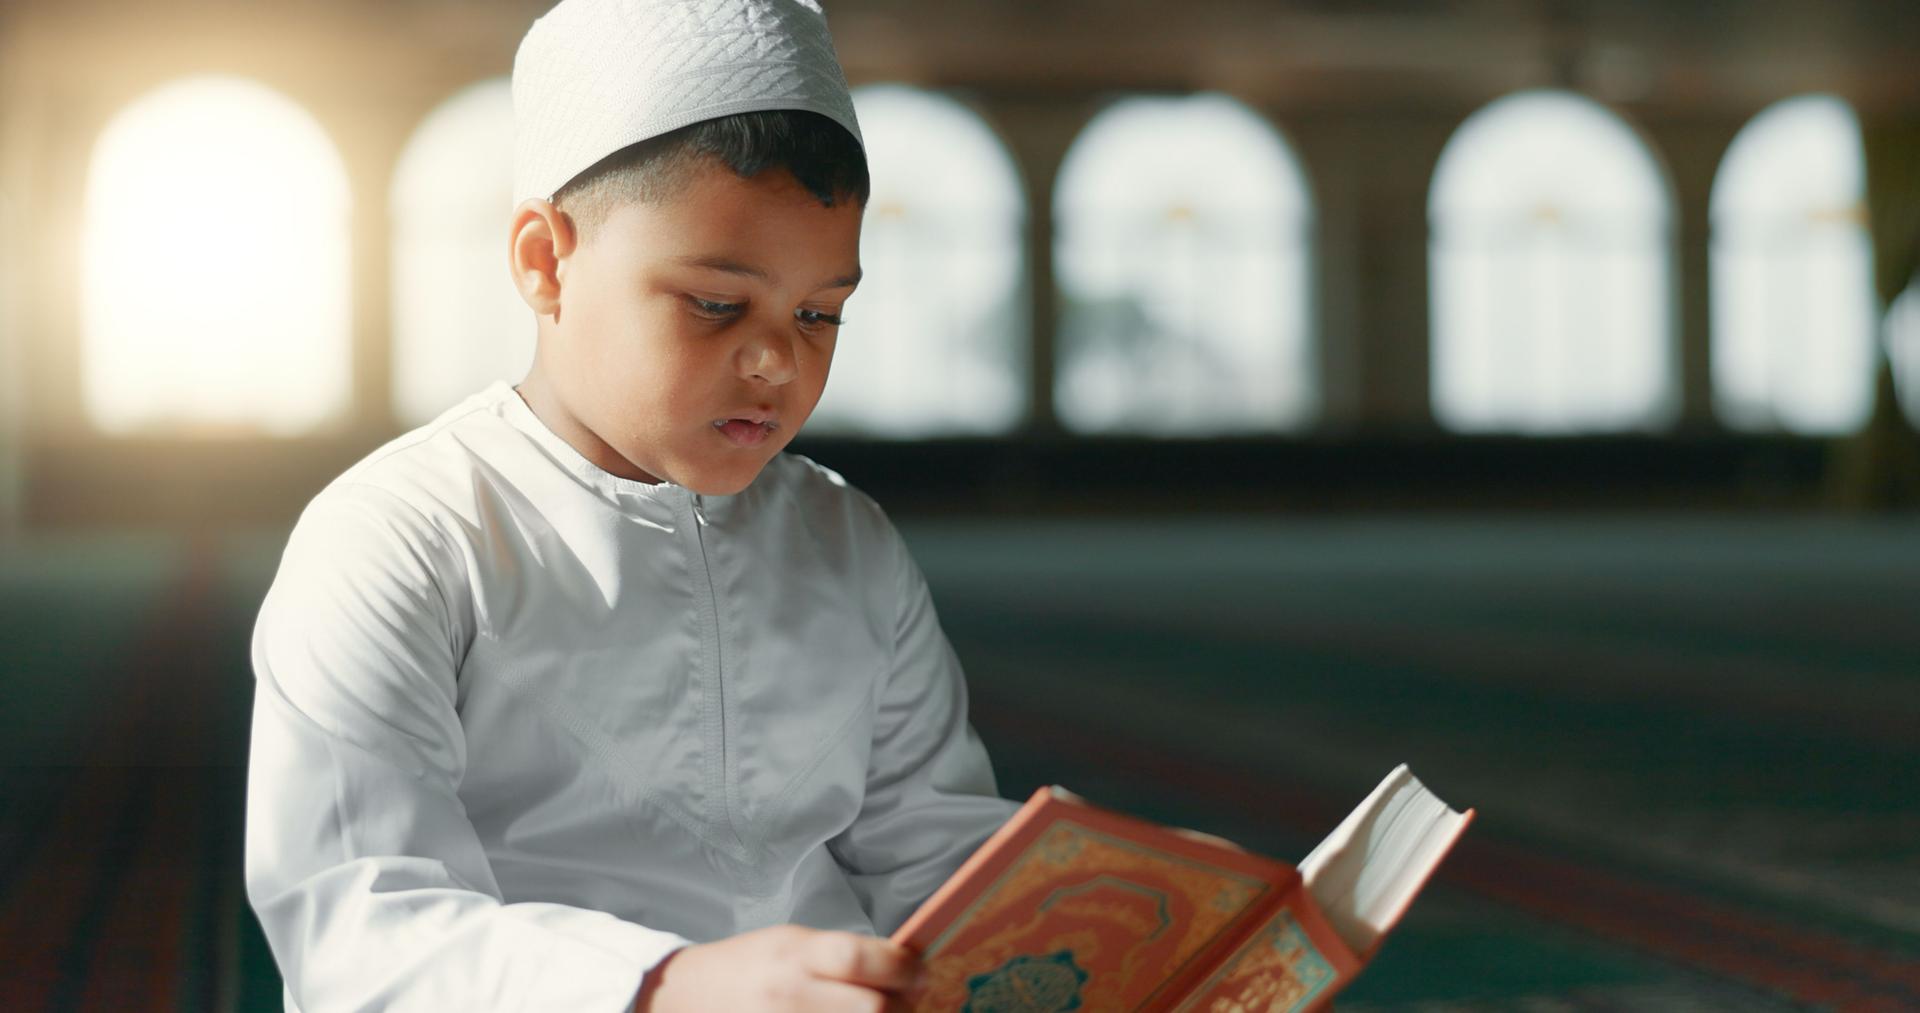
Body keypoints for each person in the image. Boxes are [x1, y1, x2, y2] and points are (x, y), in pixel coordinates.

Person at [242, 0, 1021, 1009]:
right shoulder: (400, 538)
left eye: (820, 311)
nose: (779, 359)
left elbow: (936, 860)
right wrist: (664, 985)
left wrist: (1138, 911)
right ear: (544, 260)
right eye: (714, 302)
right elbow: (359, 933)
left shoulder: (847, 540)